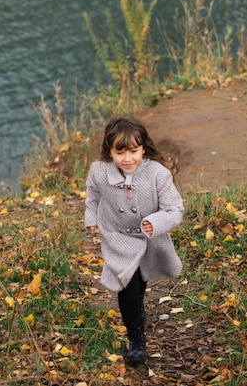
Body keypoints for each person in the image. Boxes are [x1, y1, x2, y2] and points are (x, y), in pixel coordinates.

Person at [84, 116, 183, 364]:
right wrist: (91, 217)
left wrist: (156, 222)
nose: (127, 159)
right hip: (117, 237)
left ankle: (137, 310)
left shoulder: (158, 174)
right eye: (120, 153)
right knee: (127, 286)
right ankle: (136, 339)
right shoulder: (99, 171)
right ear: (109, 152)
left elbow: (175, 209)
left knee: (138, 285)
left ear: (143, 149)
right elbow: (93, 195)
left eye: (134, 151)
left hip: (148, 238)